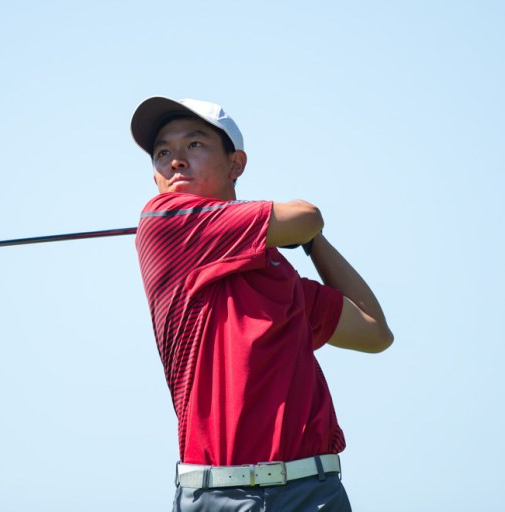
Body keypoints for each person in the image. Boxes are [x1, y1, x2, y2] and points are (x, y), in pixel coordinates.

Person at [130, 97, 393, 512]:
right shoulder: (165, 221)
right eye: (163, 152)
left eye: (194, 145)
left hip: (313, 490)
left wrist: (312, 245)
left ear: (236, 164)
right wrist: (303, 228)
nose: (176, 161)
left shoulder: (279, 275)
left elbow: (374, 331)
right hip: (217, 493)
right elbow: (306, 214)